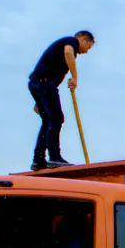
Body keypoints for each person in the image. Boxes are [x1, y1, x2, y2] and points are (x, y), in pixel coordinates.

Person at [28, 31, 95, 170]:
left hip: (39, 85)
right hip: (44, 85)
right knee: (56, 119)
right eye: (88, 47)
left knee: (48, 121)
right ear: (83, 39)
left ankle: (38, 160)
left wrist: (38, 100)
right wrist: (75, 77)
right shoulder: (71, 42)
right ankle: (54, 157)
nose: (87, 51)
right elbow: (68, 52)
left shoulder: (64, 47)